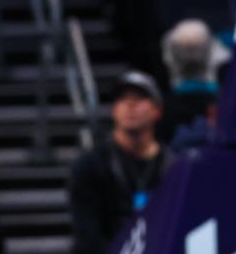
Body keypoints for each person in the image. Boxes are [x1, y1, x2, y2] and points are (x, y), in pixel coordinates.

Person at [67, 72, 173, 254]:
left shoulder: (174, 167)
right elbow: (87, 235)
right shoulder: (90, 166)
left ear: (157, 110)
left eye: (139, 98)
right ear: (114, 109)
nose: (130, 105)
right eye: (122, 99)